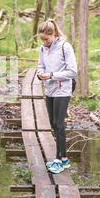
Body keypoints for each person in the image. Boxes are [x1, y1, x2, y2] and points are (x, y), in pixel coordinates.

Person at [37, 19, 78, 174]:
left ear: (53, 34)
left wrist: (52, 75)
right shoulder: (42, 49)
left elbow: (73, 72)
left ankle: (58, 160)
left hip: (63, 89)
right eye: (42, 39)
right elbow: (40, 65)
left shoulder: (65, 47)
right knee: (53, 123)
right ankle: (65, 159)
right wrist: (40, 73)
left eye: (46, 39)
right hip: (49, 90)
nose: (44, 42)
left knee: (59, 124)